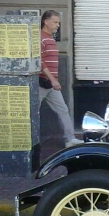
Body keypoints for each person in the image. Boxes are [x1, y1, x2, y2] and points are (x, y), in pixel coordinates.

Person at [39, 10, 82, 148]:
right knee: (32, 112)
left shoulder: (50, 38)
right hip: (41, 83)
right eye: (55, 22)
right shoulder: (40, 38)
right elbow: (39, 61)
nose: (58, 25)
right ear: (46, 22)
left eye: (58, 22)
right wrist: (53, 79)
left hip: (51, 84)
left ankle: (70, 139)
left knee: (63, 109)